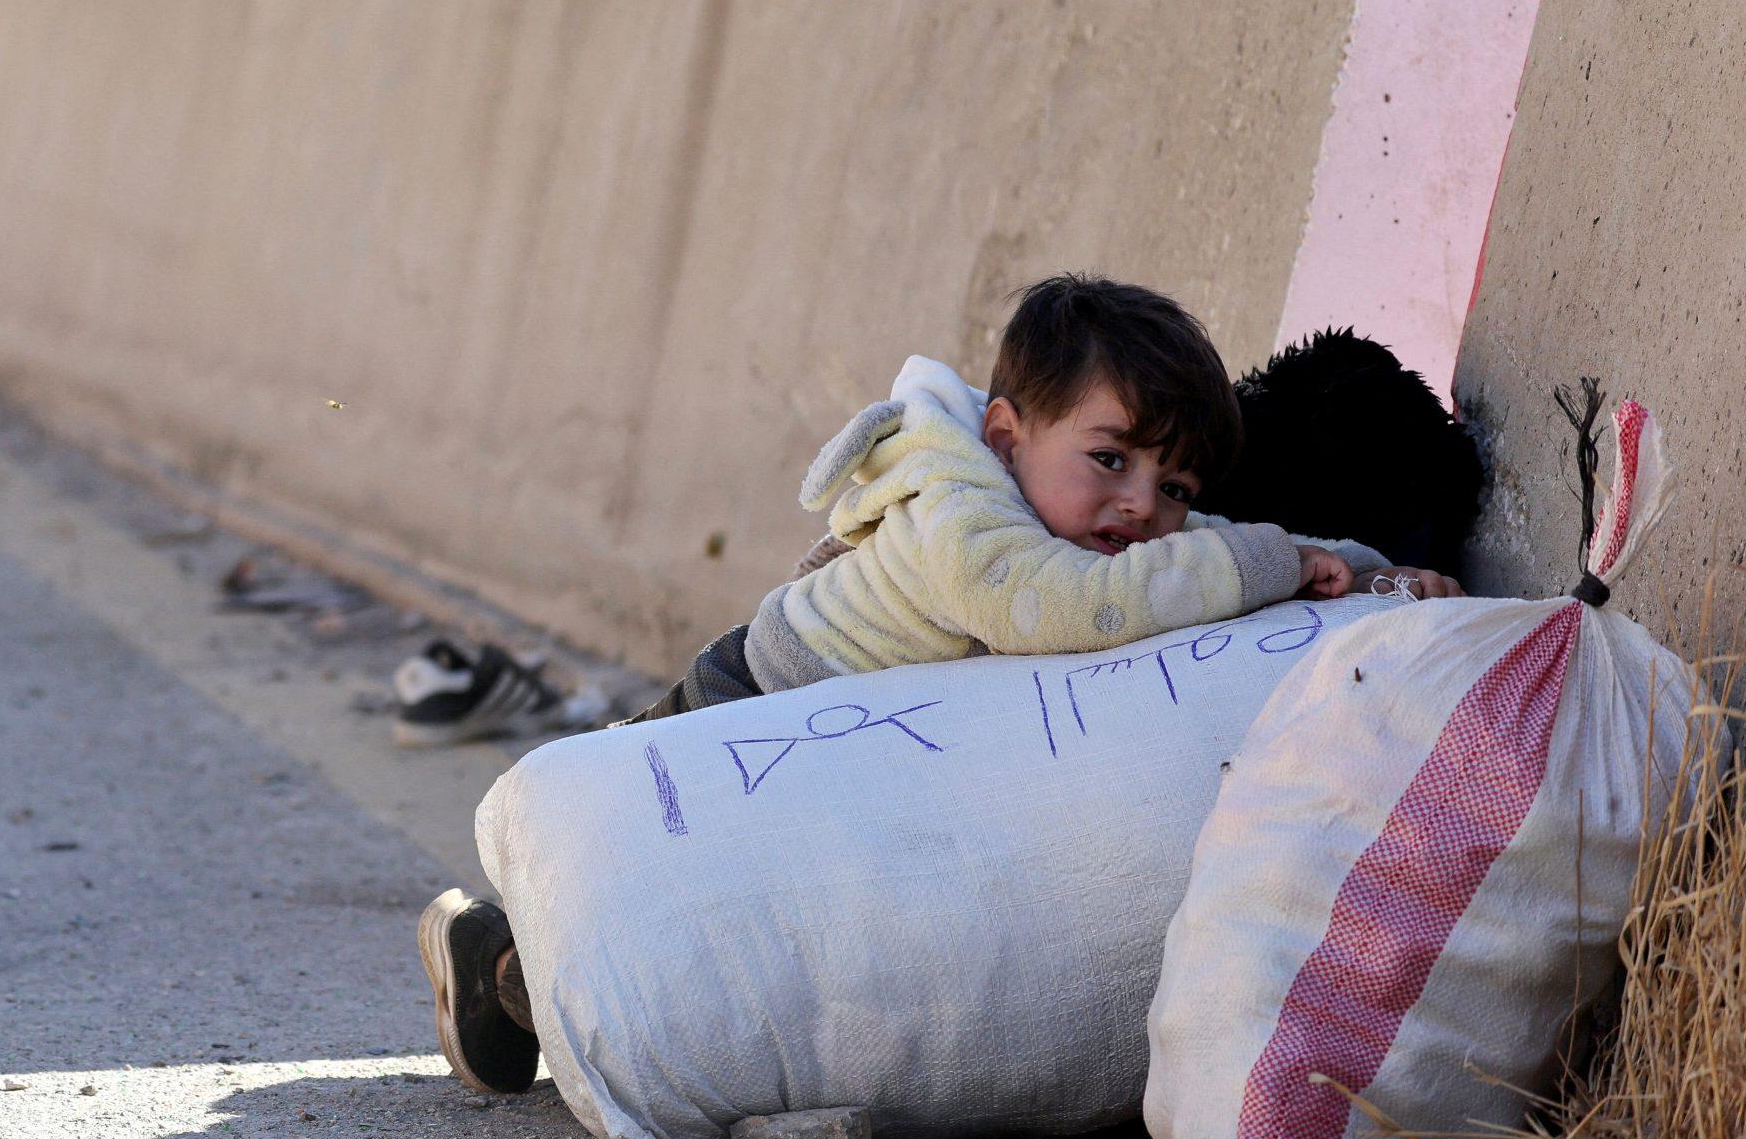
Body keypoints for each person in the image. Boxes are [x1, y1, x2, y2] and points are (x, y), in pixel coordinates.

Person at [417, 274, 1460, 1093]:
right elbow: (1041, 607)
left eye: (1174, 485)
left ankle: (519, 964)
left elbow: (1231, 546)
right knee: (634, 864)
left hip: (848, 737)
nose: (1142, 507)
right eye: (1111, 460)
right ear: (1007, 437)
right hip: (755, 702)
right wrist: (1272, 563)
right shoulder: (975, 523)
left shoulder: (1094, 515)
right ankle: (501, 951)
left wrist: (1358, 569)